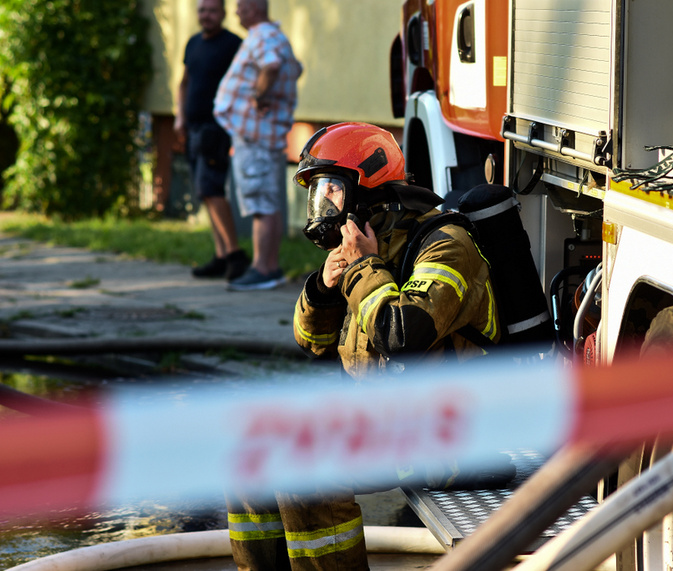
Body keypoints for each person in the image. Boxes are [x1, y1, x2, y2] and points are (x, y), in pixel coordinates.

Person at [224, 122, 501, 570]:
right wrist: (324, 286)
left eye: (332, 188)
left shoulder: (446, 247)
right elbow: (311, 342)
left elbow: (404, 335)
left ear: (367, 190)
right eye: (319, 191)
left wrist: (362, 269)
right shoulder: (370, 244)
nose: (323, 204)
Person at [213, 0, 302, 291]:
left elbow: (272, 65)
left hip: (256, 137)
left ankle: (263, 268)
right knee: (267, 201)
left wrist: (259, 95)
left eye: (239, 5)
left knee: (261, 202)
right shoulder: (274, 35)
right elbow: (296, 69)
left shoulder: (263, 35)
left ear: (253, 6)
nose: (236, 11)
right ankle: (268, 267)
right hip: (263, 136)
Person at [175, 0, 249, 281]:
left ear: (223, 13)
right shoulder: (193, 43)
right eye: (202, 10)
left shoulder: (233, 44)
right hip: (192, 127)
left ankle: (234, 254)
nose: (206, 15)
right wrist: (179, 117)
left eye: (211, 10)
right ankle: (221, 256)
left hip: (216, 129)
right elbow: (184, 83)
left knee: (212, 189)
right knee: (204, 192)